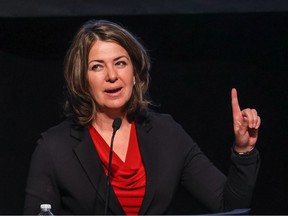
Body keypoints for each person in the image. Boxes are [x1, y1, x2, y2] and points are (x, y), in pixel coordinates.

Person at [23, 19, 261, 215]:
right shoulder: (54, 147)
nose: (112, 75)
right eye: (97, 67)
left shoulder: (167, 133)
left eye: (120, 63)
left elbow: (228, 207)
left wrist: (244, 151)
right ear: (82, 80)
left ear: (135, 73)